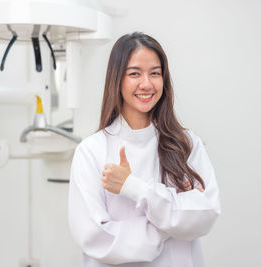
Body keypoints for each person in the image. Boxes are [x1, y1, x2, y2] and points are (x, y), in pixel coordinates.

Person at [68, 32, 221, 267]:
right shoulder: (91, 151)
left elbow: (206, 214)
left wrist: (132, 187)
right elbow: (97, 239)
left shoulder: (186, 144)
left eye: (155, 73)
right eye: (134, 74)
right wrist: (173, 219)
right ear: (117, 79)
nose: (146, 83)